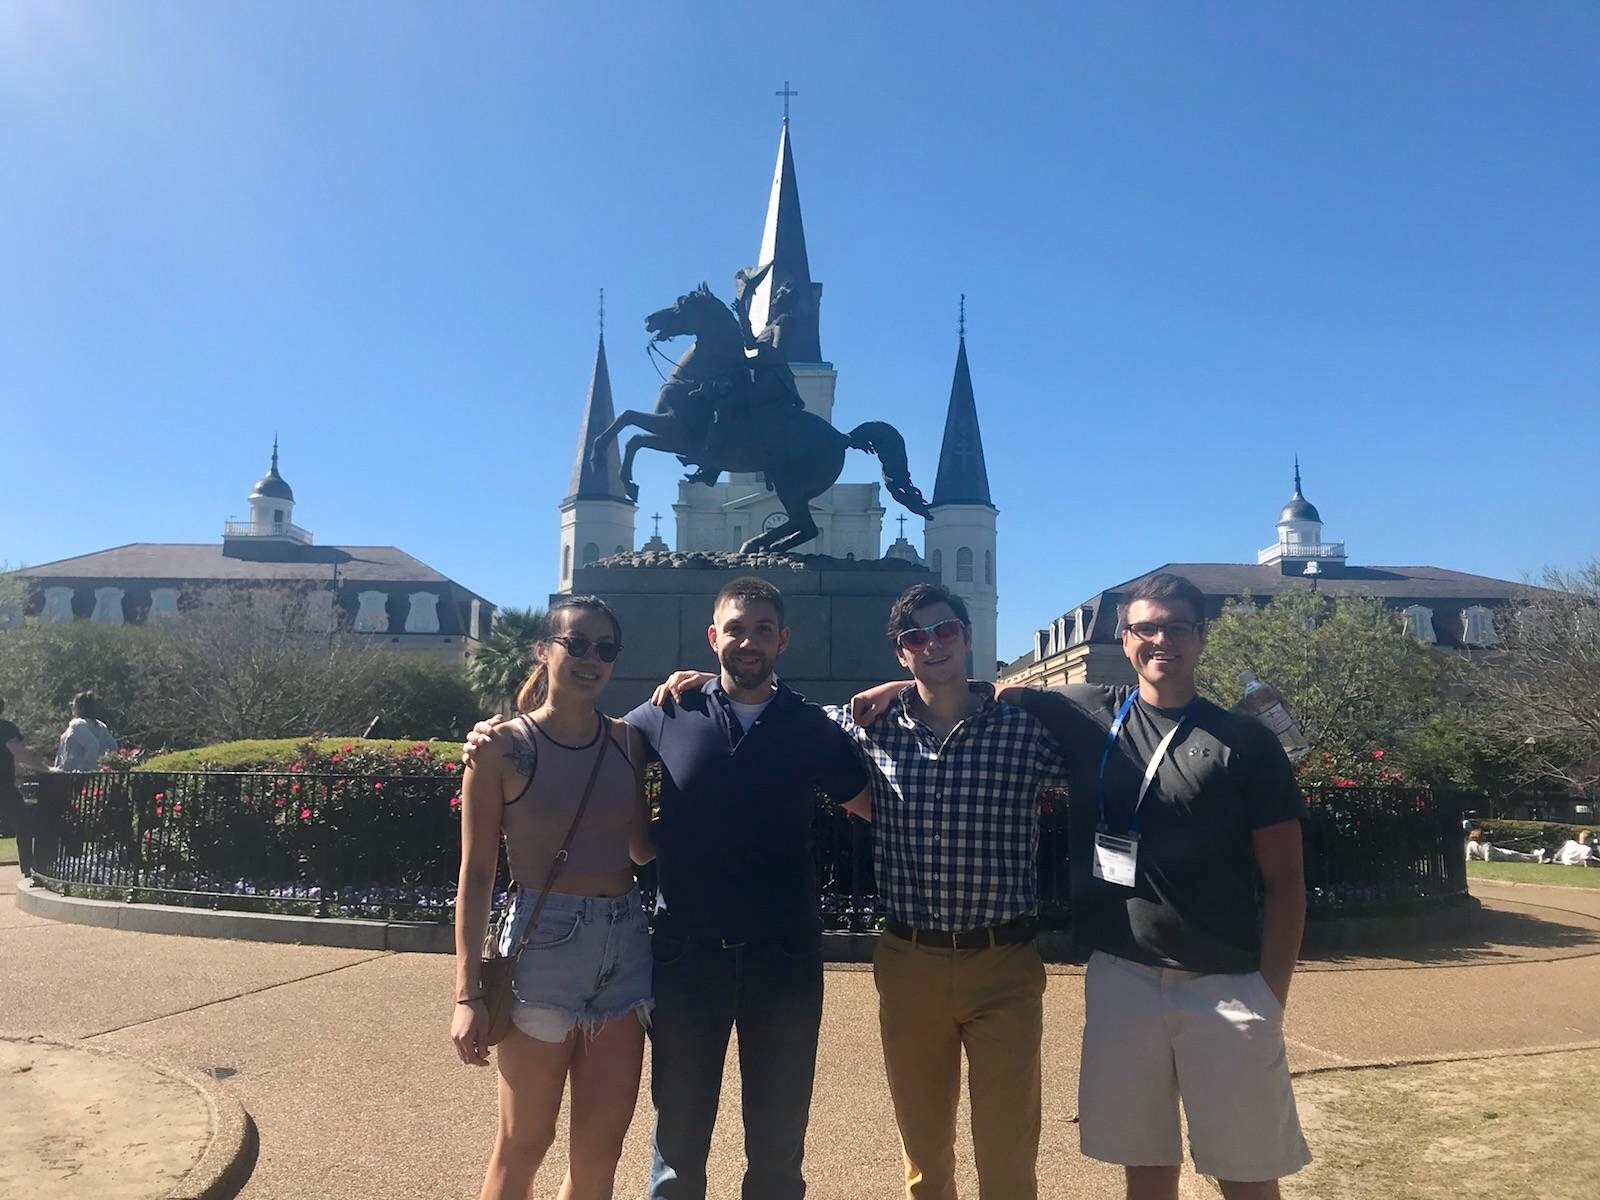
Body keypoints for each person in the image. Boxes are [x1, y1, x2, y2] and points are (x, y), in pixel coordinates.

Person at [854, 573, 1311, 1200]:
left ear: (1202, 636)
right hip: (1123, 974)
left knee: (1244, 1166)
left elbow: (1287, 882)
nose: (1161, 640)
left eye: (1176, 626)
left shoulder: (1244, 740)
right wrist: (903, 686)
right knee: (1144, 1164)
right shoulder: (1088, 708)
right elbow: (984, 692)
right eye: (1146, 628)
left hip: (1220, 978)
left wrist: (1271, 996)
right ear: (1124, 639)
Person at [657, 581, 1072, 1199]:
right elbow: (771, 710)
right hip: (910, 960)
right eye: (915, 638)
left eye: (945, 631)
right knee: (924, 1155)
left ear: (968, 635)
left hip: (1004, 959)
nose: (932, 645)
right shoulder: (860, 726)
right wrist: (701, 683)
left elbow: (1111, 760)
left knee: (1008, 1152)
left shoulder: (1025, 731)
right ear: (902, 653)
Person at [469, 577, 871, 1200]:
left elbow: (881, 805)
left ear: (784, 640)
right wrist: (498, 735)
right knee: (674, 1142)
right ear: (713, 637)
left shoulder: (809, 727)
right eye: (735, 628)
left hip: (782, 958)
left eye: (763, 629)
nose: (748, 641)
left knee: (776, 1142)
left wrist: (918, 693)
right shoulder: (663, 714)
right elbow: (578, 747)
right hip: (685, 957)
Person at [451, 596, 656, 1200]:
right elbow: (476, 873)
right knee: (523, 1144)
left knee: (600, 1152)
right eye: (578, 644)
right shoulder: (499, 749)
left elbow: (642, 848)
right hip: (544, 947)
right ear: (544, 651)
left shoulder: (628, 742)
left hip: (625, 946)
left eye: (606, 649)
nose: (593, 659)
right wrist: (466, 992)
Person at [1, 698, 50, 877]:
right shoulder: (6, 729)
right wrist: (46, 769)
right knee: (23, 824)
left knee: (23, 823)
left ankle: (28, 869)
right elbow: (21, 754)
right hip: (3, 787)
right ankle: (28, 869)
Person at [53, 691, 118, 771]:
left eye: (73, 705)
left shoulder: (78, 724)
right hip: (94, 775)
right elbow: (113, 747)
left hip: (73, 776)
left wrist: (84, 767)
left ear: (80, 708)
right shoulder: (101, 726)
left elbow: (93, 745)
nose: (72, 708)